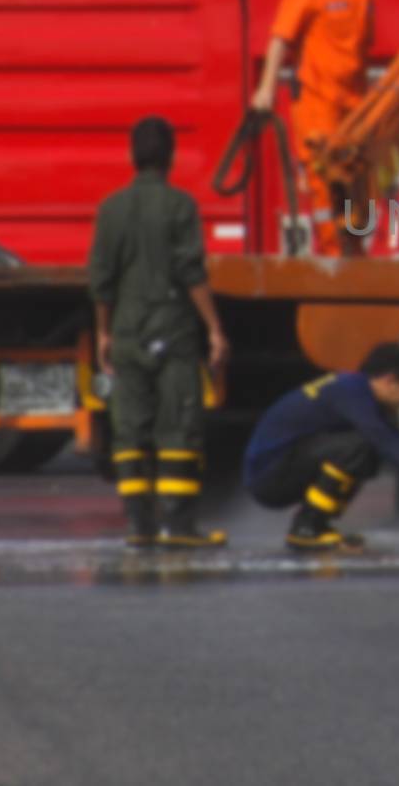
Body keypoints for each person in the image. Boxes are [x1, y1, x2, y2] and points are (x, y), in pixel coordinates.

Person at [88, 117, 230, 549]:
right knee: (178, 427)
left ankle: (139, 526)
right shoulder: (180, 206)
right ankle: (180, 526)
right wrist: (215, 328)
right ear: (170, 157)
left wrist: (103, 333)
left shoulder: (110, 208)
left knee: (129, 430)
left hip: (127, 333)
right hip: (173, 331)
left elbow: (101, 279)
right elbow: (191, 271)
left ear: (133, 156)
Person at [242, 343, 399, 552]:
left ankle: (316, 525)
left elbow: (391, 438)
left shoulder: (353, 388)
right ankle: (307, 528)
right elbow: (383, 438)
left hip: (279, 468)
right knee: (360, 446)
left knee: (367, 451)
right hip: (269, 475)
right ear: (390, 381)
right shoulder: (352, 392)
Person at [249, 0, 378, 256]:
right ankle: (334, 255)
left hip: (353, 107)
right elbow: (281, 36)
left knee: (358, 185)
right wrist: (265, 88)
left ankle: (354, 251)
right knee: (325, 185)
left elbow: (363, 55)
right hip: (319, 104)